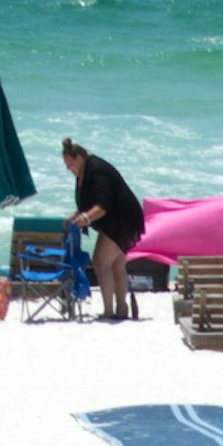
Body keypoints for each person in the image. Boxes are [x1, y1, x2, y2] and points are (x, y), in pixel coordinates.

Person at [61, 136, 144, 319]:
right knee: (116, 264)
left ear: (79, 158)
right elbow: (87, 203)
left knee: (100, 262)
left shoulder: (96, 171)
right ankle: (121, 310)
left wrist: (86, 218)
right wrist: (75, 216)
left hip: (123, 220)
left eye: (70, 164)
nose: (69, 169)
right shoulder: (83, 173)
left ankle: (109, 311)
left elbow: (102, 205)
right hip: (116, 220)